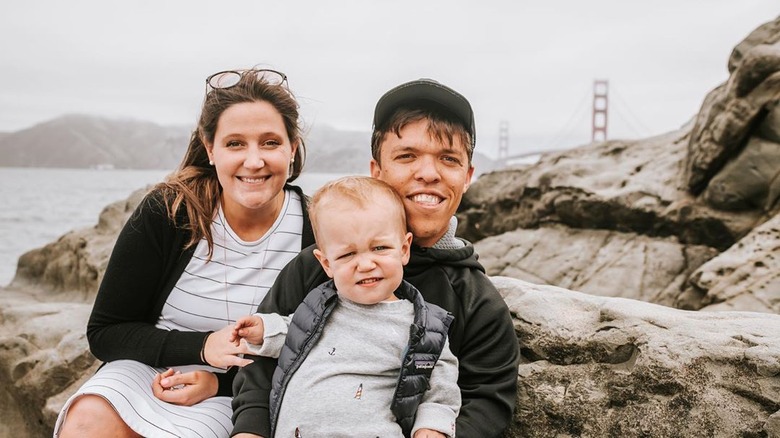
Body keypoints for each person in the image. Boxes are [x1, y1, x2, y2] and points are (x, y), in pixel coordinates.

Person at [232, 79, 520, 438]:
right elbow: (261, 365)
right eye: (407, 156)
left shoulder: (477, 301)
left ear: (467, 177)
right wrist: (250, 431)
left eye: (448, 159)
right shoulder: (316, 268)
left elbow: (487, 401)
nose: (428, 174)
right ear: (377, 171)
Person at [54, 68, 314, 438]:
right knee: (88, 421)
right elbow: (106, 332)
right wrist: (203, 347)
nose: (254, 161)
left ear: (291, 149)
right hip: (152, 368)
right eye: (235, 143)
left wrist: (218, 383)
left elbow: (319, 348)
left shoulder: (315, 229)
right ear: (210, 149)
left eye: (270, 143)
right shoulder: (170, 211)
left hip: (246, 392)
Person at [231, 176, 460, 437]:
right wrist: (263, 330)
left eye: (380, 248)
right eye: (348, 254)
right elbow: (291, 334)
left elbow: (441, 391)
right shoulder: (320, 308)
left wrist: (431, 429)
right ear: (327, 264)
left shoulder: (422, 326)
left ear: (404, 249)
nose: (365, 264)